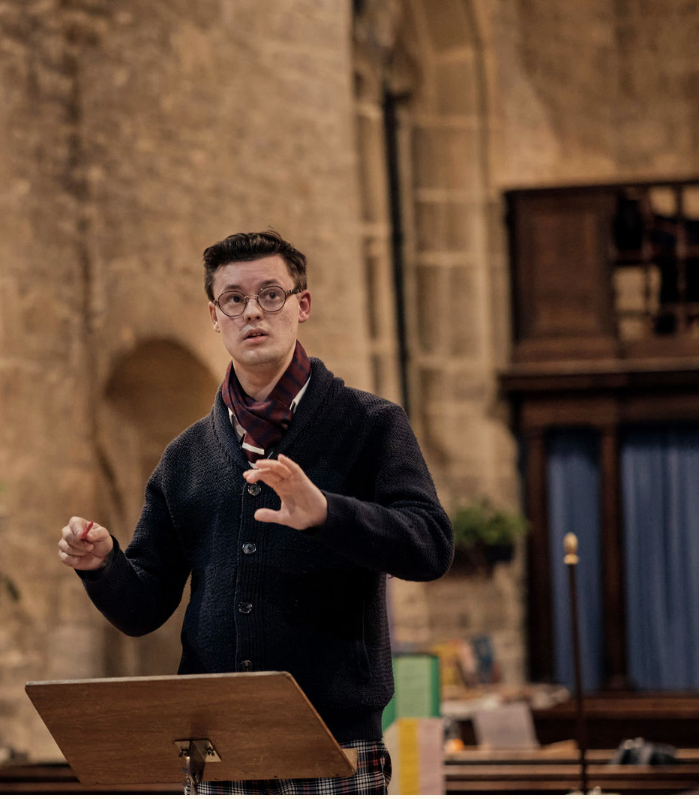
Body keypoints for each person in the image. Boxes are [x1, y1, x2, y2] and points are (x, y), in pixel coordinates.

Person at [57, 230, 453, 795]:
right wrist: (102, 565)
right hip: (213, 748)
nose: (253, 313)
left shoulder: (369, 425)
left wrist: (326, 513)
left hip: (332, 742)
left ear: (302, 305)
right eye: (234, 300)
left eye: (271, 294)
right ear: (214, 317)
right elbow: (145, 606)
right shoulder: (186, 456)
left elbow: (431, 547)